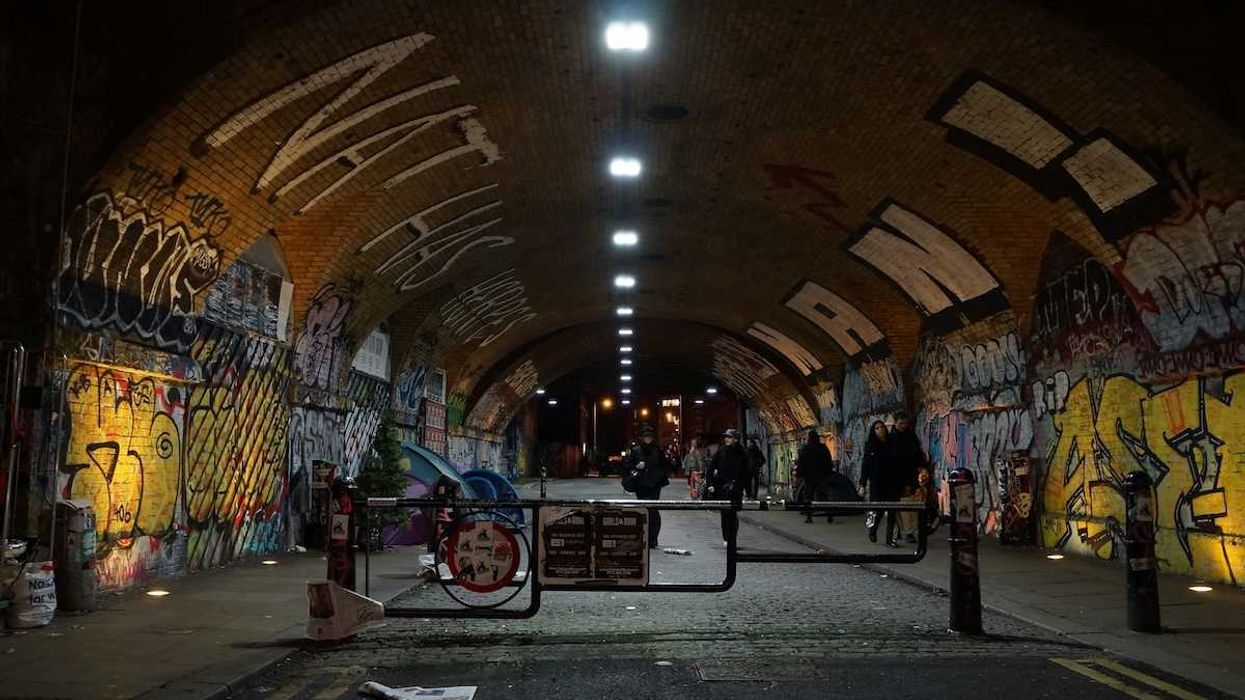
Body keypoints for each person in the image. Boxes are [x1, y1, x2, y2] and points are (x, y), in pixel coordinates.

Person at [624, 424, 670, 548]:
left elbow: (664, 466)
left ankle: (653, 539)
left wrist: (657, 477)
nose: (648, 439)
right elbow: (627, 466)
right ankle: (644, 537)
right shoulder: (636, 450)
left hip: (654, 485)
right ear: (642, 437)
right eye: (646, 437)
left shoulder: (658, 450)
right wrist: (637, 467)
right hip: (641, 485)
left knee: (653, 511)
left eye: (650, 437)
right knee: (643, 510)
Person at [887, 413, 926, 545]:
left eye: (905, 423)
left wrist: (921, 466)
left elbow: (917, 453)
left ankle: (908, 530)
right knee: (903, 504)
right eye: (901, 423)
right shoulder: (892, 439)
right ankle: (907, 530)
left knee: (907, 504)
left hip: (910, 474)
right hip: (897, 476)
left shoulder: (910, 436)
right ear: (895, 423)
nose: (903, 426)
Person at [706, 428, 749, 545]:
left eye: (729, 437)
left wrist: (743, 487)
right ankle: (726, 538)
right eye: (726, 437)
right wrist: (710, 484)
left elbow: (746, 472)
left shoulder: (742, 453)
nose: (726, 439)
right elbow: (710, 469)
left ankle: (732, 538)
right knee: (725, 514)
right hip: (722, 488)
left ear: (735, 439)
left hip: (736, 489)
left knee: (733, 515)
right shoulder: (721, 452)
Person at [859, 420, 898, 545]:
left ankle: (890, 539)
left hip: (892, 482)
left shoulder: (891, 444)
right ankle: (873, 530)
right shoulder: (871, 446)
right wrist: (862, 484)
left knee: (892, 512)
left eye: (882, 427)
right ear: (874, 431)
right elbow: (865, 466)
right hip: (877, 484)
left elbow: (898, 463)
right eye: (877, 428)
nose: (880, 430)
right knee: (878, 511)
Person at [794, 430, 834, 524]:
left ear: (809, 438)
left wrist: (799, 474)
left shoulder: (806, 449)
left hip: (809, 477)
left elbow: (801, 463)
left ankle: (809, 516)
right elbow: (828, 461)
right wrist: (829, 473)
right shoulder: (823, 448)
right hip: (822, 476)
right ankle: (829, 513)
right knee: (824, 495)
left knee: (808, 496)